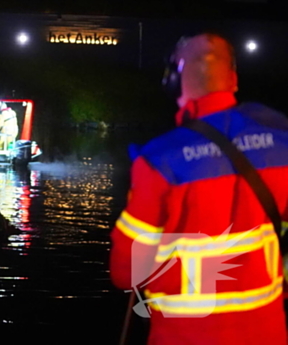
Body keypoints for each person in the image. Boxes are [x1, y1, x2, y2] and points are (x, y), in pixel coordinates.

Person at [110, 33, 288, 344]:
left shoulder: (158, 162)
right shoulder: (282, 141)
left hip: (183, 336)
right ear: (233, 79)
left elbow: (126, 273)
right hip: (269, 333)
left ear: (175, 81)